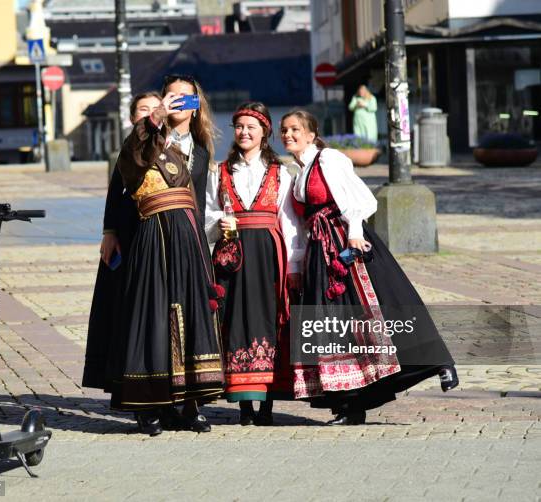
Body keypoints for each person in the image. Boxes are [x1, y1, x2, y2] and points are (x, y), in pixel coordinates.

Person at [280, 109, 458, 426]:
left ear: (311, 133)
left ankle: (437, 361)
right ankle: (351, 405)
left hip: (344, 242)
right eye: (284, 130)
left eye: (295, 129)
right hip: (319, 251)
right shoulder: (299, 173)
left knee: (382, 307)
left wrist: (354, 234)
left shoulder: (329, 159)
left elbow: (358, 199)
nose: (288, 134)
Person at [85, 76, 224, 436]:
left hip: (187, 240)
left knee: (190, 317)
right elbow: (120, 187)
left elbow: (201, 201)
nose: (177, 102)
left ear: (197, 103)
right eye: (171, 97)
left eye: (185, 97)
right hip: (148, 235)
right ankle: (149, 403)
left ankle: (187, 404)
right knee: (152, 318)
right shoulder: (144, 141)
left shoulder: (202, 148)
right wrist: (110, 230)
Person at [206, 102, 305, 425]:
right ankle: (243, 406)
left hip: (267, 252)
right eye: (239, 127)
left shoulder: (280, 172)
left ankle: (267, 405)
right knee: (232, 319)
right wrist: (218, 222)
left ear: (264, 133)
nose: (244, 132)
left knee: (268, 319)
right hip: (231, 254)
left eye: (252, 127)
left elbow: (289, 221)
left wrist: (293, 266)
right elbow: (207, 212)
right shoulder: (220, 171)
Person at [83, 91, 161, 392]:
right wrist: (109, 232)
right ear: (132, 117)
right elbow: (116, 193)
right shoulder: (131, 149)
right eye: (144, 109)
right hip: (132, 230)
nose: (152, 113)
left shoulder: (179, 146)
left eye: (157, 108)